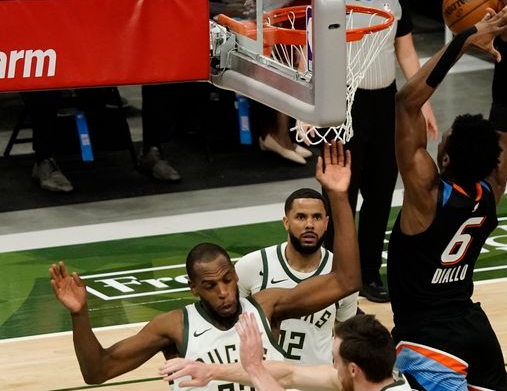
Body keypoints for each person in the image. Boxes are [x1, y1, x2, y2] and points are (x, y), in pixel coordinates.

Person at [49, 141, 360, 390]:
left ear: (236, 275)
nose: (224, 293)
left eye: (227, 280)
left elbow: (346, 280)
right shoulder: (174, 326)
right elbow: (97, 370)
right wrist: (80, 315)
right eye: (211, 286)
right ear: (193, 288)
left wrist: (338, 198)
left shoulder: (265, 307)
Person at [386, 0, 507, 390]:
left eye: (441, 139)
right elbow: (504, 104)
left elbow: (407, 102)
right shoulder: (492, 189)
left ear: (443, 158)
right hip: (473, 329)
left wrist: (464, 38)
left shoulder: (427, 193)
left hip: (426, 341)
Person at [334, 0, 439, 303]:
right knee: (343, 196)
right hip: (344, 107)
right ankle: (334, 274)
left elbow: (406, 52)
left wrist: (424, 102)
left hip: (385, 107)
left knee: (379, 196)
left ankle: (367, 274)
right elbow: (314, 55)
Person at [235, 187, 358, 364]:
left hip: (319, 381)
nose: (310, 224)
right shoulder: (251, 266)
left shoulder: (341, 274)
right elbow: (228, 327)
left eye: (317, 217)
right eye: (301, 217)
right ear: (286, 222)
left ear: (326, 222)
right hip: (268, 379)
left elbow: (347, 336)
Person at [159, 313, 411, 391]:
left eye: (335, 360)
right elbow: (290, 373)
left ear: (353, 369)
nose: (332, 366)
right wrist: (211, 371)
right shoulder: (378, 377)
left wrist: (256, 368)